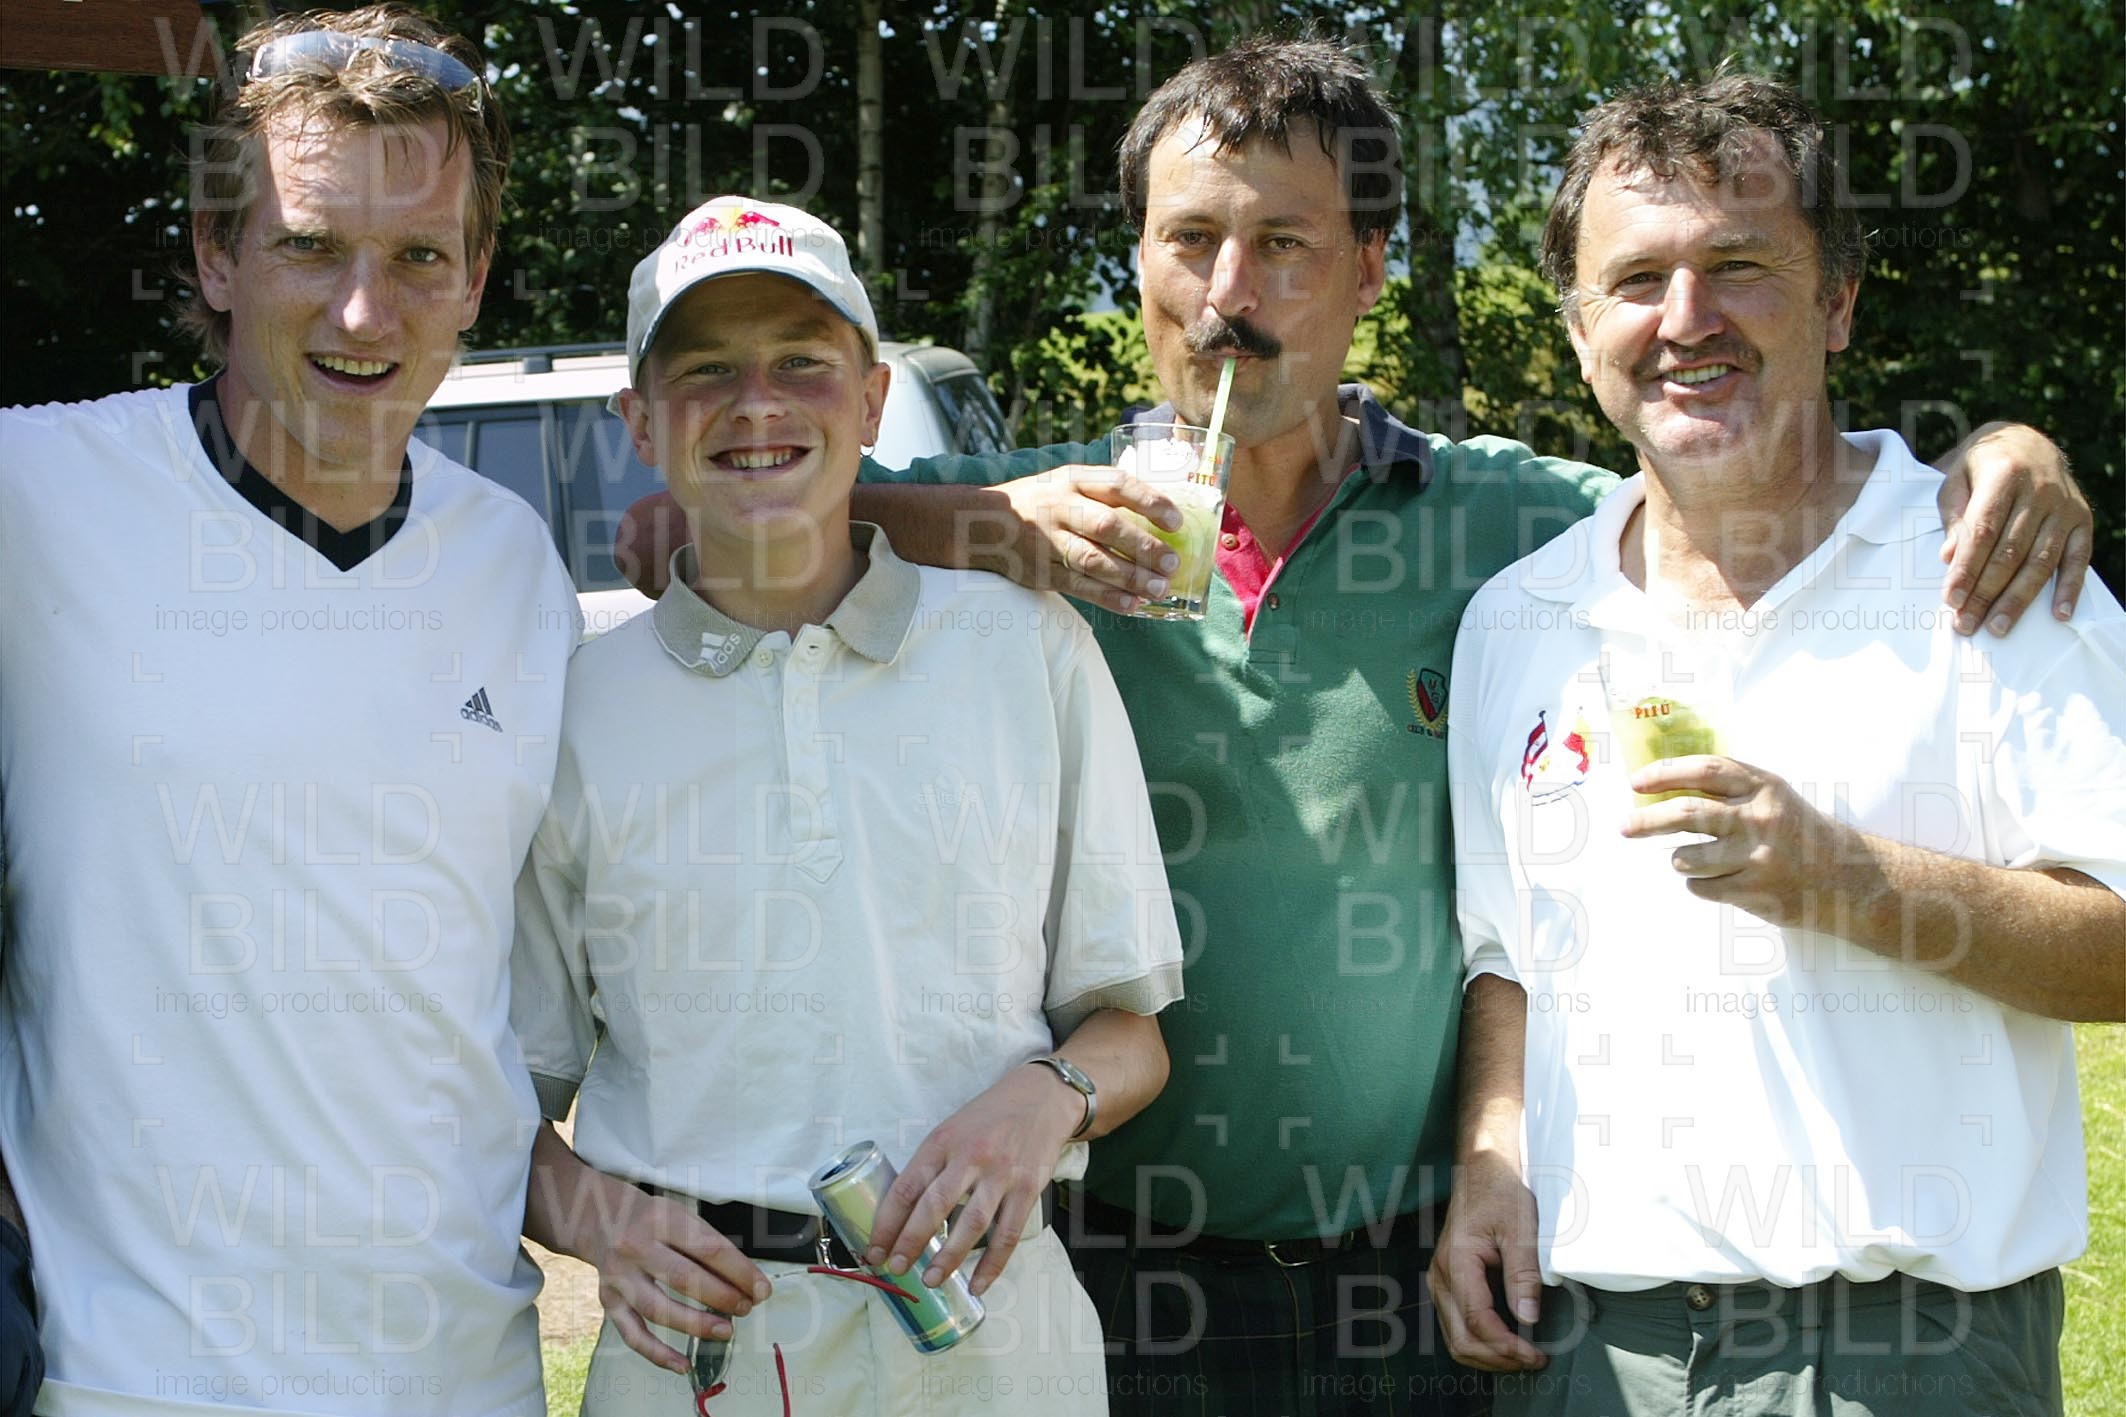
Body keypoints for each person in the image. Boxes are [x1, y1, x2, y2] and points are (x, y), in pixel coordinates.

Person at [614, 38, 2090, 1414]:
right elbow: (693, 529)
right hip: (1105, 1260)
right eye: (1190, 239)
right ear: (1138, 262)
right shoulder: (1027, 522)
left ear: (1370, 267)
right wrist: (982, 522)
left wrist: (1997, 457)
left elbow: (1721, 482)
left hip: (1419, 1275)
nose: (1228, 292)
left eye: (1284, 244)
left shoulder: (1508, 531)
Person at [1435, 73, 2125, 1417]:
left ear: (1836, 299)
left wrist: (1844, 881)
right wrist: (1488, 1161)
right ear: (1578, 332)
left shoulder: (1991, 568)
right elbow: (1505, 958)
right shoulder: (1516, 621)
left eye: (1738, 266)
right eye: (1635, 280)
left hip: (1902, 1355)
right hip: (1590, 1356)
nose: (1684, 318)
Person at [509, 196, 1183, 1415]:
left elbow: (1129, 1032)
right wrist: (596, 1220)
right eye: (705, 371)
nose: (756, 404)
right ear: (639, 422)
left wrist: (1045, 1099)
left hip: (993, 1347)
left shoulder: (1026, 646)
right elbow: (499, 1097)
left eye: (801, 364)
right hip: (698, 1352)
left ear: (871, 402)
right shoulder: (575, 710)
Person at [0, 6, 574, 1411]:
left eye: (418, 256)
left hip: (466, 1375)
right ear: (217, 252)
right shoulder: (37, 497)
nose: (364, 313)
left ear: (474, 277)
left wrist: (938, 520)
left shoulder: (515, 563)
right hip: (139, 1382)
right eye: (312, 246)